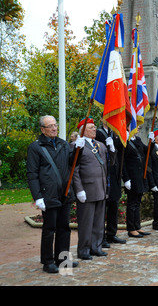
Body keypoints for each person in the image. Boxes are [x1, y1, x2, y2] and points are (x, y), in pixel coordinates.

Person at [27, 115, 80, 273]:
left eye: (55, 125)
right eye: (50, 126)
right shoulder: (35, 147)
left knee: (64, 228)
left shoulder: (63, 144)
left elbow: (73, 162)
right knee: (49, 229)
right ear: (42, 129)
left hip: (64, 193)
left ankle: (63, 259)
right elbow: (32, 174)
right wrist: (37, 197)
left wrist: (79, 149)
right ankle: (48, 261)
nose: (54, 128)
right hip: (48, 194)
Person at [72, 118, 115, 260]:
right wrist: (79, 189)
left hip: (100, 188)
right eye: (91, 127)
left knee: (98, 221)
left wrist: (112, 150)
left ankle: (96, 247)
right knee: (86, 222)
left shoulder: (101, 145)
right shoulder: (77, 145)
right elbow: (74, 170)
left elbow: (110, 164)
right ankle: (83, 249)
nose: (94, 129)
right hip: (87, 189)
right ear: (83, 130)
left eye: (95, 127)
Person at [95, 118, 126, 246]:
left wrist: (124, 138)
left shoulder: (114, 133)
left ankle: (111, 234)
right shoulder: (99, 133)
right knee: (103, 208)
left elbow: (121, 151)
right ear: (102, 119)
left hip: (115, 174)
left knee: (114, 205)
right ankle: (101, 237)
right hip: (104, 174)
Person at [122, 131, 151, 238]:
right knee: (132, 203)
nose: (138, 128)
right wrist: (125, 178)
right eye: (135, 126)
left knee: (137, 202)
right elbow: (123, 162)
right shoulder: (125, 141)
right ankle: (131, 228)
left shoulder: (137, 140)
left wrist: (151, 142)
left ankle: (137, 226)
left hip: (140, 176)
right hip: (131, 177)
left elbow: (147, 151)